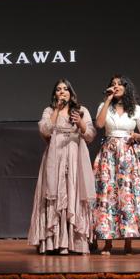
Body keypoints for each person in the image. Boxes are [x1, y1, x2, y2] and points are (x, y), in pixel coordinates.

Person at [28, 79, 96, 255]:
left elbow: (90, 135)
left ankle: (75, 242)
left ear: (71, 93)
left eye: (65, 89)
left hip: (74, 155)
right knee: (55, 194)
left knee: (73, 192)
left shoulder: (82, 110)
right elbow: (44, 131)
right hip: (55, 156)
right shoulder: (49, 110)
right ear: (55, 94)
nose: (62, 92)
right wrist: (57, 111)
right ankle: (54, 242)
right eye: (58, 90)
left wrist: (80, 122)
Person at [92, 74, 140, 255]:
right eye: (113, 84)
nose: (116, 86)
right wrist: (107, 99)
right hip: (109, 153)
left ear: (127, 88)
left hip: (129, 154)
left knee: (127, 195)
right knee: (107, 195)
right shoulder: (104, 106)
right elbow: (99, 124)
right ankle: (107, 243)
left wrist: (134, 136)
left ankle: (128, 241)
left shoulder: (136, 109)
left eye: (120, 84)